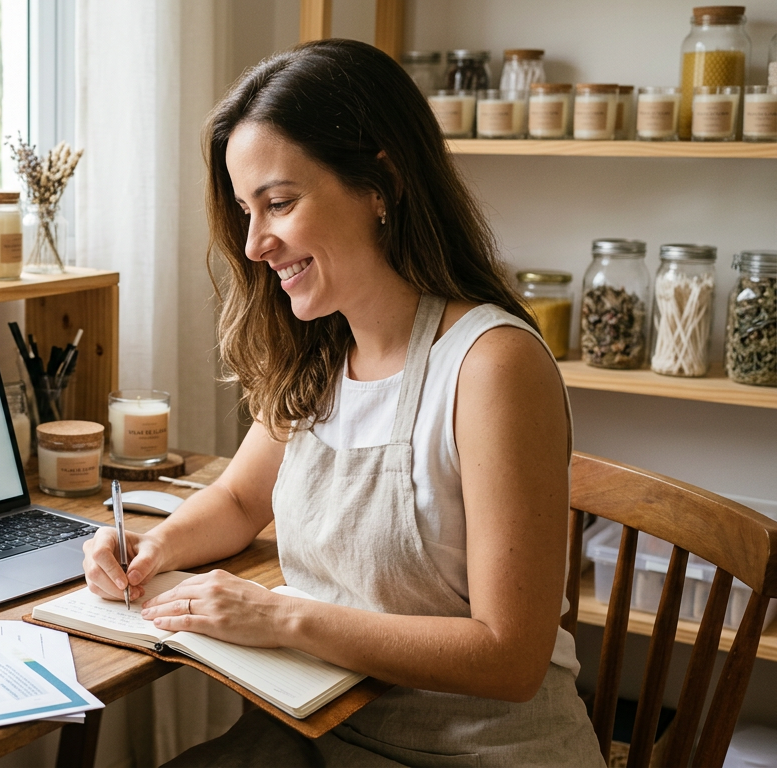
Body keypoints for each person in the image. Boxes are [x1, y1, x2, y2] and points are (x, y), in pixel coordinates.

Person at [81, 39, 604, 767]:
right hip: (324, 730)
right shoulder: (320, 352)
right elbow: (237, 501)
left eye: (281, 203)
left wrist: (281, 616)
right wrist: (148, 548)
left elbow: (508, 657)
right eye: (244, 211)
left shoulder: (492, 365)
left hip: (478, 753)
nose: (257, 243)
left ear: (379, 182)